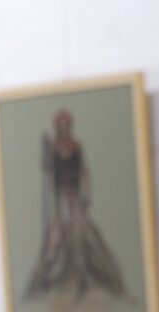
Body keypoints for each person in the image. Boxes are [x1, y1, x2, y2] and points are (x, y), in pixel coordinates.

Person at [26, 108, 125, 302]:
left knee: (83, 236)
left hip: (75, 197)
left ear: (70, 126)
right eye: (60, 125)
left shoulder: (76, 146)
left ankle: (86, 278)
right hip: (59, 198)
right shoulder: (53, 147)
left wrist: (86, 194)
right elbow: (47, 169)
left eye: (66, 125)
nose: (63, 128)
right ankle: (47, 279)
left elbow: (84, 171)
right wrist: (45, 150)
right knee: (55, 238)